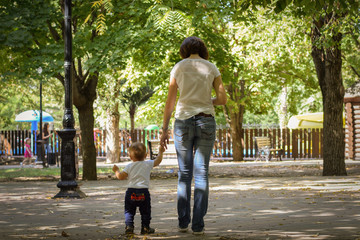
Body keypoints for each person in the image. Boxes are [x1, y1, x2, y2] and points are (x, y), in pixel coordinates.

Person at [160, 36, 227, 235]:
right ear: (203, 49)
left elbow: (170, 103)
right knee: (202, 173)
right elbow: (223, 99)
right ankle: (198, 225)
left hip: (182, 122)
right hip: (206, 120)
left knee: (184, 174)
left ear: (184, 50)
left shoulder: (178, 67)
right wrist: (208, 101)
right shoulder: (212, 67)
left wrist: (164, 130)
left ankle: (182, 223)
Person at [112, 142, 165, 235]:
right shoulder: (148, 164)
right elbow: (158, 160)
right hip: (143, 192)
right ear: (145, 155)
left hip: (131, 192)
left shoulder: (129, 166)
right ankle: (145, 228)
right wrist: (161, 152)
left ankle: (129, 227)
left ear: (130, 157)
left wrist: (116, 170)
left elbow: (121, 176)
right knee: (145, 211)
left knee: (129, 211)